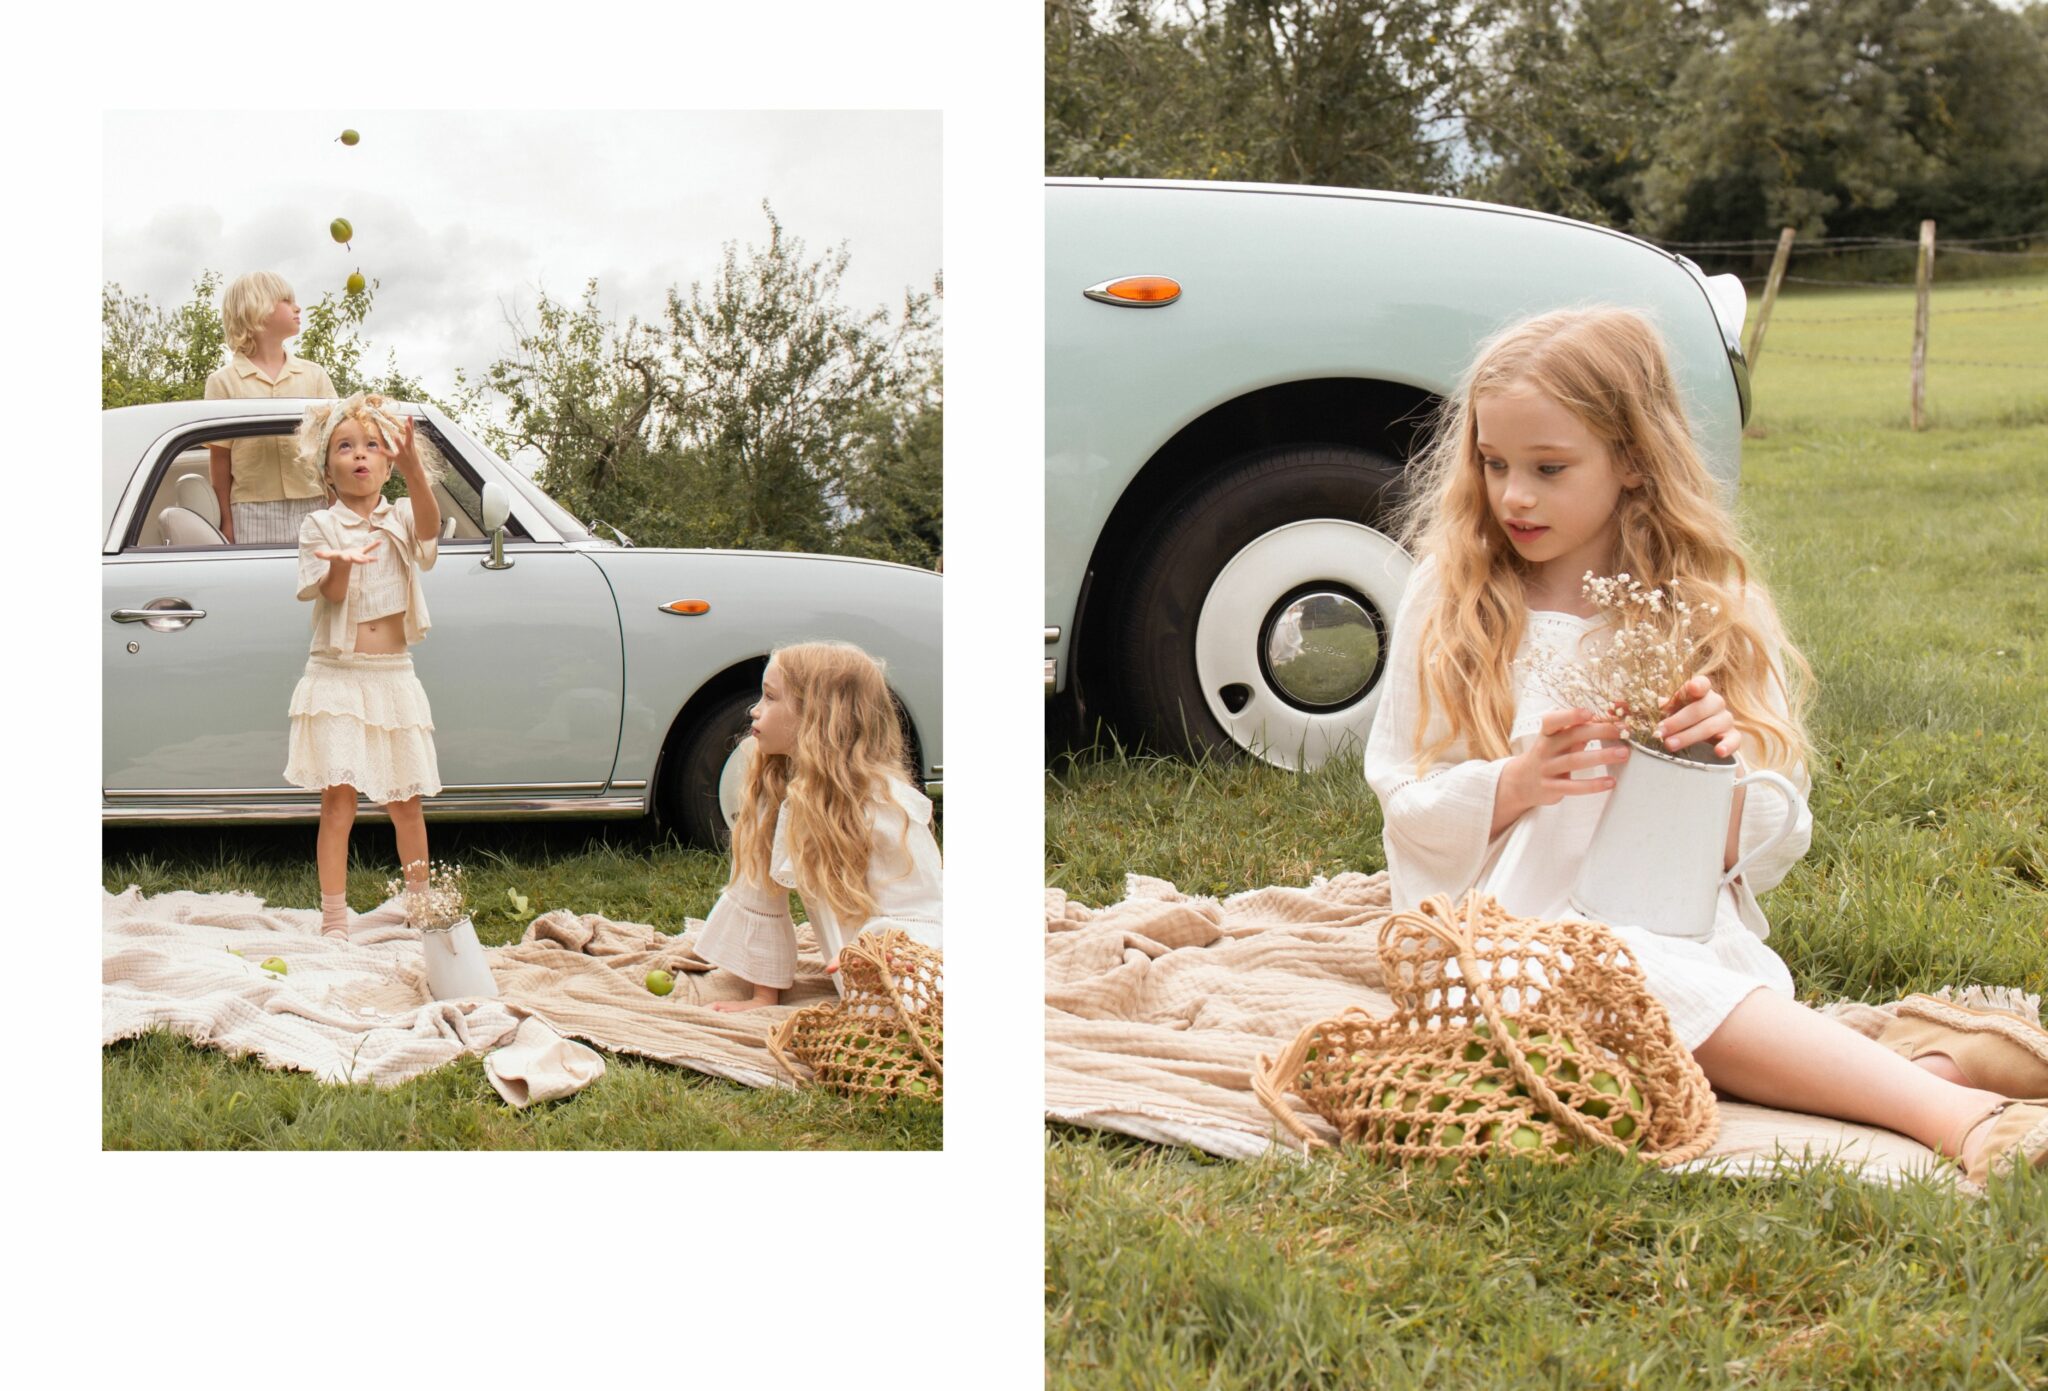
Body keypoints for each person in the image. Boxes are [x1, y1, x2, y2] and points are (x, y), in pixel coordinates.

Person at [1363, 306, 2047, 1185]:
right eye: (1493, 465)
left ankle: (1960, 1117)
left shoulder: (1707, 602)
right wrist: (1517, 781)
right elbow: (1406, 791)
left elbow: (1773, 830)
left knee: (1630, 978)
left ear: (1634, 462)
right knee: (1588, 1009)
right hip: (1504, 928)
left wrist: (1716, 777)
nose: (1514, 497)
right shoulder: (1453, 594)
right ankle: (1931, 1070)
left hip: (1668, 922)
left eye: (1548, 468)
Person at [691, 642, 942, 1013]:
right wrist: (763, 998)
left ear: (818, 717)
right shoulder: (774, 788)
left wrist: (881, 953)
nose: (755, 710)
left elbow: (924, 908)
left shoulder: (884, 807)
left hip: (909, 970)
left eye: (771, 698)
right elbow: (758, 892)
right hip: (853, 980)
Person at [283, 393, 445, 940]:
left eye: (372, 446)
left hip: (393, 676)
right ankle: (334, 919)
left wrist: (416, 470)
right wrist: (341, 569)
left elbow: (429, 535)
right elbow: (325, 594)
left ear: (387, 460)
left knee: (406, 802)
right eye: (345, 447)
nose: (359, 456)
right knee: (339, 801)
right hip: (337, 675)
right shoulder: (319, 527)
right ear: (327, 466)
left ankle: (420, 906)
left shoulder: (398, 515)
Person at [203, 272, 338, 545]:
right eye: (287, 301)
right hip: (251, 510)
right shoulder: (223, 382)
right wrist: (226, 521)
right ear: (256, 310)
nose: (298, 307)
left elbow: (334, 445)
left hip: (313, 502)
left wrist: (338, 502)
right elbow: (220, 460)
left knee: (320, 583)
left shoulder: (314, 375)